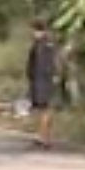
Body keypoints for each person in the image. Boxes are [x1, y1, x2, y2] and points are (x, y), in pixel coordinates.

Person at [26, 20, 59, 149]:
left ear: (40, 31)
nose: (34, 34)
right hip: (39, 81)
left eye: (35, 31)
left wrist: (51, 77)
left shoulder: (44, 45)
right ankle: (42, 136)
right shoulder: (41, 44)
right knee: (42, 110)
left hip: (43, 81)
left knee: (46, 110)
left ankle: (45, 139)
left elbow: (48, 64)